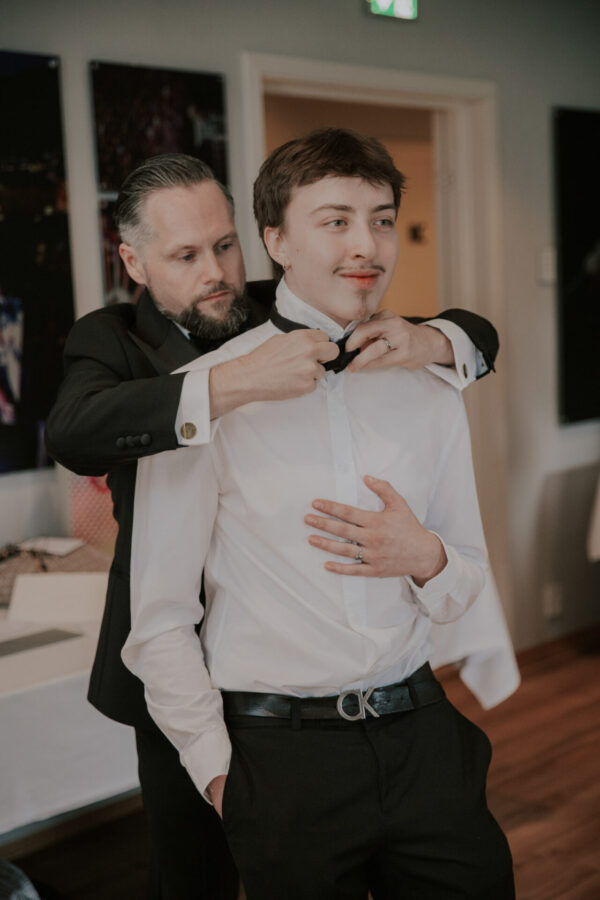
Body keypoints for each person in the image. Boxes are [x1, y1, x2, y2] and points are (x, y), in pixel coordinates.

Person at [45, 152, 500, 900]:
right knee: (193, 877)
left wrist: (442, 341)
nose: (216, 272)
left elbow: (419, 316)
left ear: (259, 242)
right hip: (204, 693)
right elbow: (72, 430)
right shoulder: (113, 340)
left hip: (402, 719)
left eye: (225, 245)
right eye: (186, 255)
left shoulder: (293, 309)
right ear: (133, 262)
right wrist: (227, 387)